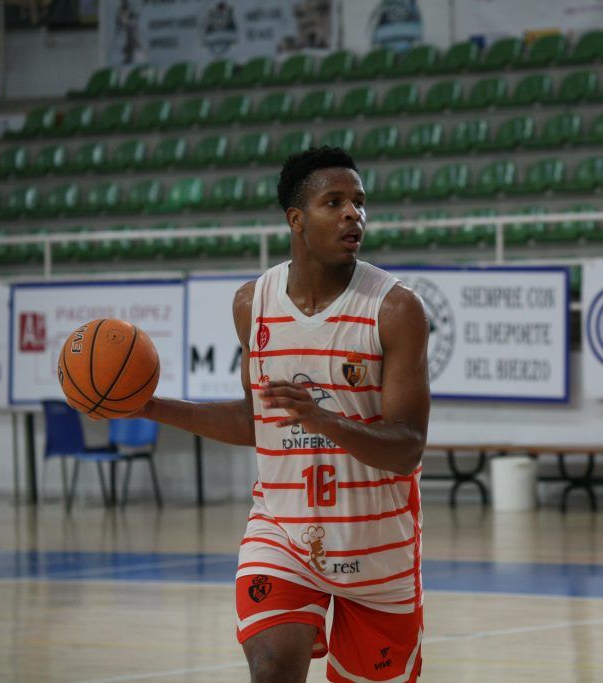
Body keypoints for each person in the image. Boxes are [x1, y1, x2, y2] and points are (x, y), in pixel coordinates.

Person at [125, 147, 431, 682]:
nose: (352, 214)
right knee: (271, 670)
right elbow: (254, 422)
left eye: (359, 202)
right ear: (295, 218)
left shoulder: (396, 308)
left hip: (378, 549)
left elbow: (407, 446)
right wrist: (151, 406)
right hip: (283, 534)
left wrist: (326, 422)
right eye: (333, 202)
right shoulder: (253, 304)